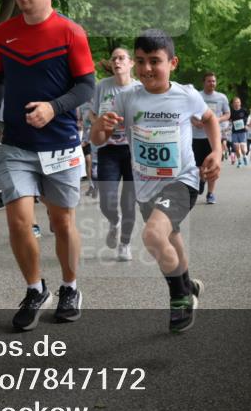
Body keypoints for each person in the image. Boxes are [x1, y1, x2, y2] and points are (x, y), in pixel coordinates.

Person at [0, 0, 95, 332]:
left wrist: (53, 108)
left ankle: (70, 287)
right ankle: (34, 289)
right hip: (17, 144)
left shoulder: (70, 32)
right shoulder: (4, 33)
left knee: (62, 223)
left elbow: (86, 87)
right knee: (19, 221)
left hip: (60, 144)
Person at [91, 30, 217, 333]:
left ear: (172, 62)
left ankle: (179, 297)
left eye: (155, 61)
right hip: (145, 185)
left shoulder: (186, 94)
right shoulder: (127, 97)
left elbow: (210, 118)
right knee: (169, 236)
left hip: (182, 180)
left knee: (152, 235)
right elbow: (97, 138)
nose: (147, 68)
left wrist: (218, 152)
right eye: (141, 61)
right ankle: (188, 285)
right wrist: (100, 126)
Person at [88, 47, 141, 261]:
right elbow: (92, 114)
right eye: (114, 58)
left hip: (133, 150)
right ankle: (114, 221)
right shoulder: (102, 86)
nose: (117, 61)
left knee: (129, 202)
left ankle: (125, 244)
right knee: (106, 201)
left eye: (122, 58)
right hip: (108, 148)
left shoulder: (139, 88)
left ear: (131, 64)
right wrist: (100, 124)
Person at [191, 72, 229, 204]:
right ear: (204, 82)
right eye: (209, 81)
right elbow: (189, 114)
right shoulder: (197, 96)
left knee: (212, 165)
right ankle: (201, 180)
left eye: (214, 81)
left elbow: (227, 114)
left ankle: (211, 193)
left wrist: (216, 120)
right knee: (197, 166)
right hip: (196, 136)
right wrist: (195, 122)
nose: (212, 83)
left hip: (212, 137)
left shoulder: (221, 97)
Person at [229, 97, 250, 168]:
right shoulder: (231, 111)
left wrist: (247, 125)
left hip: (242, 132)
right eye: (235, 102)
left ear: (240, 103)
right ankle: (239, 162)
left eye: (238, 102)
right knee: (236, 148)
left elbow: (248, 118)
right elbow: (229, 119)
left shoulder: (244, 110)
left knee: (242, 148)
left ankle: (244, 157)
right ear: (233, 104)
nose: (237, 103)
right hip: (235, 132)